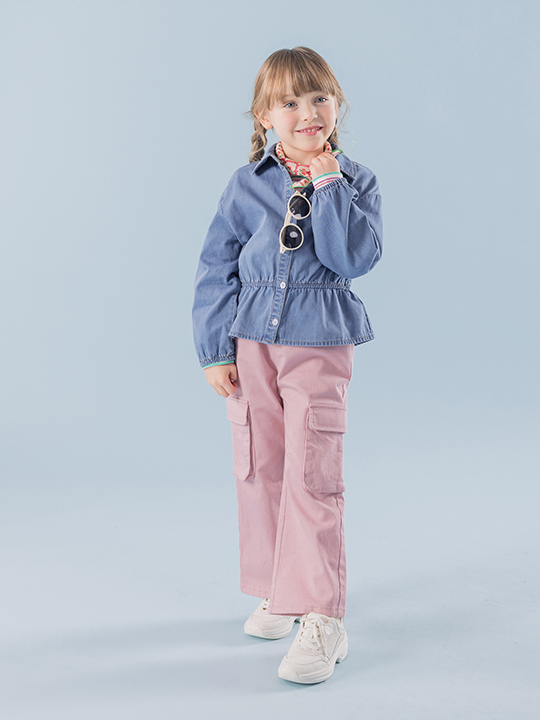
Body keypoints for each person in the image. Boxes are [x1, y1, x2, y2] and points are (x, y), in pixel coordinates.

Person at [192, 46, 383, 684]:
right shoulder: (245, 185)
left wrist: (327, 184)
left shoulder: (355, 182)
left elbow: (352, 257)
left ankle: (323, 615)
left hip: (317, 343)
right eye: (290, 102)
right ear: (264, 116)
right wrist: (215, 349)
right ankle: (284, 589)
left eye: (320, 98)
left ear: (337, 105)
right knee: (261, 468)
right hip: (251, 343)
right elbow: (216, 265)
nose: (308, 113)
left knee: (312, 473)